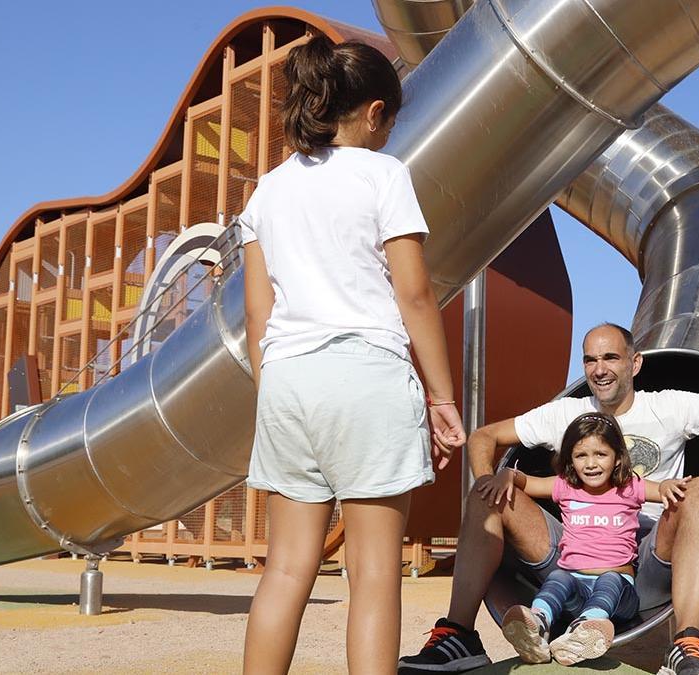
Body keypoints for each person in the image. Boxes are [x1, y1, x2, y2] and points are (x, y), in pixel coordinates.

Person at [239, 36, 466, 674]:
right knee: (372, 574)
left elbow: (258, 313)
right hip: (367, 373)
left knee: (285, 570)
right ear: (372, 113)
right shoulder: (384, 174)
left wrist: (275, 388)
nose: (389, 133)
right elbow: (415, 295)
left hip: (287, 380)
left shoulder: (268, 192)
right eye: (389, 121)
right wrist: (443, 398)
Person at [398, 323, 699, 675]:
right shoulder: (566, 413)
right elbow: (484, 437)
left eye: (610, 358)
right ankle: (460, 635)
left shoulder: (670, 405)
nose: (599, 369)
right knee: (487, 493)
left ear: (634, 363)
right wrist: (490, 478)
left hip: (646, 556)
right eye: (590, 359)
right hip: (574, 546)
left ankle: (686, 642)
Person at [493, 412, 691, 666]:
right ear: (570, 460)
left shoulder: (629, 486)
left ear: (618, 457)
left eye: (601, 454)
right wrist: (508, 474)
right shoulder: (565, 486)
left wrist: (665, 487)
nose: (591, 464)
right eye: (580, 455)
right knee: (558, 577)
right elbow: (528, 483)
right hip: (575, 589)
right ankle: (537, 624)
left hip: (620, 594)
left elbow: (659, 489)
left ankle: (586, 629)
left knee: (610, 579)